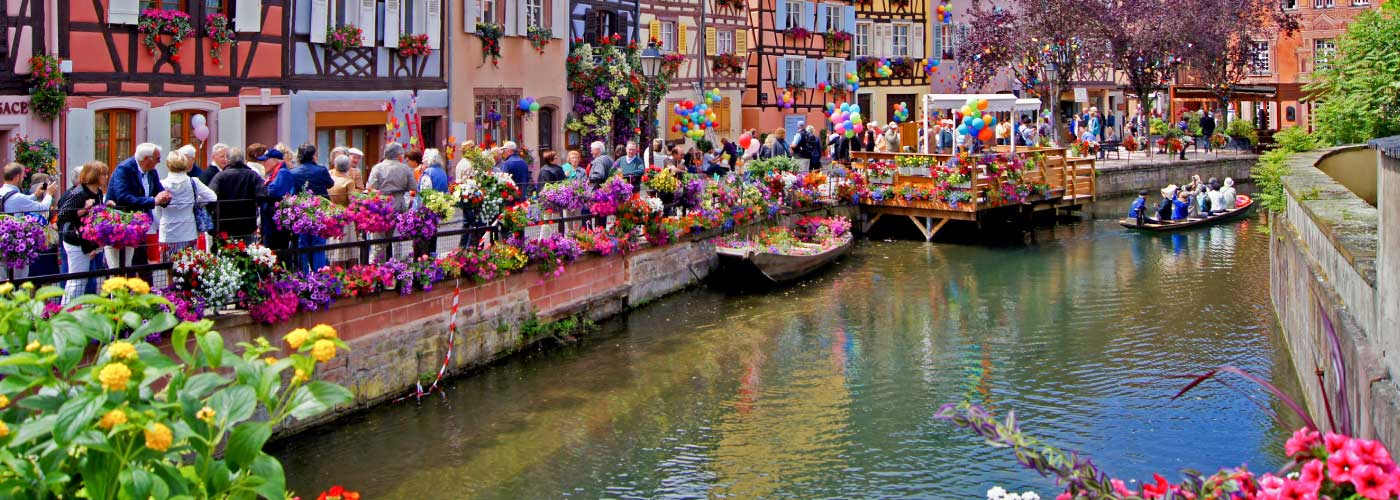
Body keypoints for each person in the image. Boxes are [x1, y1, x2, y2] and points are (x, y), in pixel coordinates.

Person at [106, 143, 171, 271]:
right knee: (123, 265)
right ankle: (124, 289)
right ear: (147, 159)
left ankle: (147, 290)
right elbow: (122, 197)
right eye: (157, 159)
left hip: (142, 224)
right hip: (124, 224)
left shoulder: (152, 172)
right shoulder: (124, 169)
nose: (159, 162)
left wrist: (165, 198)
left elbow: (158, 191)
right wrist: (153, 201)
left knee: (141, 261)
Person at [56, 161, 109, 303]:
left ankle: (74, 308)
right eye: (103, 174)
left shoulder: (97, 192)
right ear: (94, 176)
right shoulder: (79, 193)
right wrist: (83, 210)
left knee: (82, 278)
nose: (106, 177)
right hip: (75, 239)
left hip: (86, 240)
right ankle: (66, 310)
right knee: (77, 280)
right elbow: (62, 216)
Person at [155, 152, 217, 261]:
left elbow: (157, 209)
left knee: (168, 266)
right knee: (188, 266)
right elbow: (212, 197)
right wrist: (196, 201)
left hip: (168, 231)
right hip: (189, 231)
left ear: (168, 164)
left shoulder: (162, 184)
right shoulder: (193, 182)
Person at [1, 163, 54, 281]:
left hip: (3, 242)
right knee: (19, 281)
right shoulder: (18, 197)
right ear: (16, 176)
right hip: (16, 245)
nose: (24, 178)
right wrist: (49, 194)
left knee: (3, 281)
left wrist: (35, 195)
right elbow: (42, 208)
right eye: (22, 175)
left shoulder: (2, 193)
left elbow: (19, 202)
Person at [208, 147, 265, 241]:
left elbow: (210, 197)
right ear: (243, 160)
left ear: (228, 160)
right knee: (247, 252)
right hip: (247, 223)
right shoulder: (252, 175)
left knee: (225, 253)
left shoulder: (220, 176)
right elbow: (262, 196)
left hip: (224, 224)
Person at [367, 142, 416, 214]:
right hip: (399, 203)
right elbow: (413, 187)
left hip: (382, 203)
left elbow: (370, 187)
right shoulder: (405, 168)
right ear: (399, 155)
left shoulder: (377, 168)